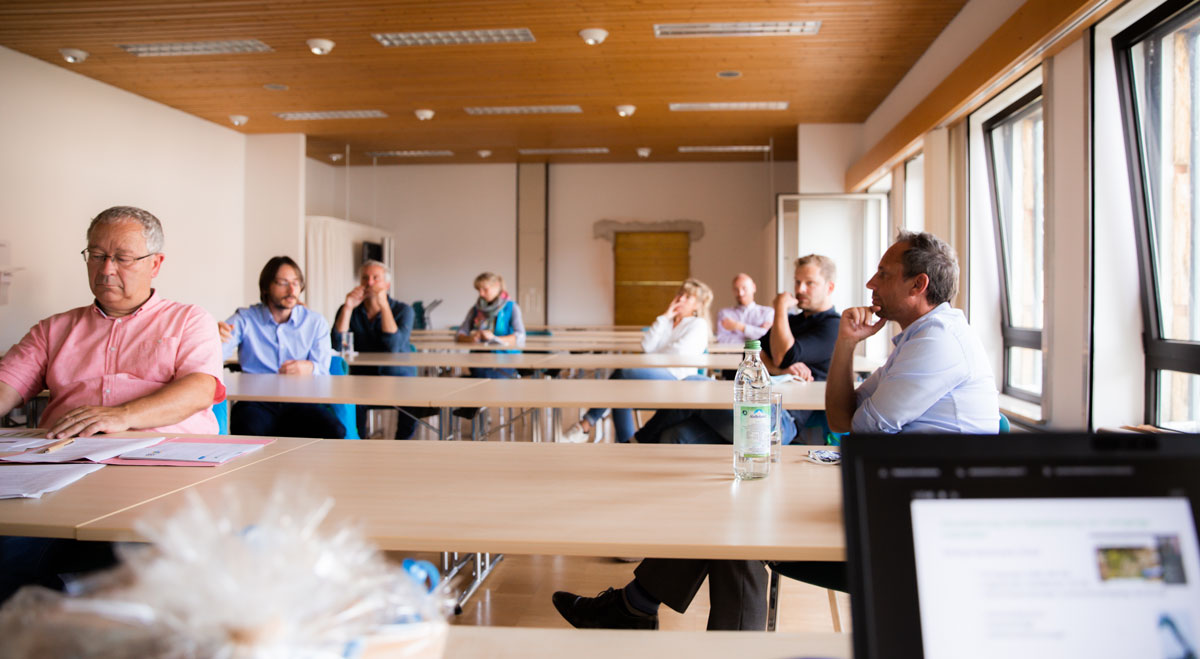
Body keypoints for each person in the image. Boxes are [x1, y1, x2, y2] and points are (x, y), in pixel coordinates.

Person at [552, 232, 999, 631]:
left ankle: (635, 607)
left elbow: (860, 432)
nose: (870, 284)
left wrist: (828, 354)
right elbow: (845, 420)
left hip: (914, 530)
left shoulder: (938, 343)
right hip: (891, 496)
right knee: (733, 500)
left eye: (883, 273)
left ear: (918, 285)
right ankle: (637, 607)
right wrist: (847, 341)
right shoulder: (917, 339)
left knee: (738, 515)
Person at [0, 205, 224, 603]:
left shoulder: (188, 320)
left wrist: (124, 415)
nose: (106, 270)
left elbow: (200, 388)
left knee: (148, 578)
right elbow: (7, 383)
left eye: (122, 258)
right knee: (8, 558)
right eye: (97, 255)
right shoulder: (55, 329)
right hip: (60, 476)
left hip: (160, 477)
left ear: (155, 264)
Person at [634, 255, 841, 446]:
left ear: (830, 287)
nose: (800, 289)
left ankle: (635, 443)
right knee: (675, 435)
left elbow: (785, 355)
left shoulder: (832, 326)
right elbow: (750, 353)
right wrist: (780, 371)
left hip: (777, 421)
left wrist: (779, 309)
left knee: (692, 384)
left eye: (809, 283)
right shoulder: (792, 322)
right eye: (797, 282)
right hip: (748, 404)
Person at [561, 278, 713, 443]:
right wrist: (665, 316)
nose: (680, 299)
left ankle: (586, 424)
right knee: (620, 390)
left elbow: (675, 356)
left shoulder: (698, 325)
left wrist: (652, 356)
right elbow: (646, 346)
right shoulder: (667, 322)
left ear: (698, 304)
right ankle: (625, 444)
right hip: (655, 375)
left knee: (624, 373)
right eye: (680, 294)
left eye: (687, 297)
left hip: (677, 379)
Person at [219, 256, 344, 438]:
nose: (292, 289)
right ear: (266, 287)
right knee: (248, 427)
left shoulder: (315, 322)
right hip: (257, 402)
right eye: (283, 283)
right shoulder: (245, 318)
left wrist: (310, 367)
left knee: (335, 432)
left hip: (300, 401)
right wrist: (215, 337)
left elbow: (323, 368)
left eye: (296, 283)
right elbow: (214, 355)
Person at [331, 259, 432, 439]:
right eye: (365, 278)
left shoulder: (403, 310)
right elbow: (337, 346)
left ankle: (402, 447)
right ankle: (358, 445)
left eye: (375, 278)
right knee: (350, 402)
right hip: (363, 379)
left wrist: (384, 305)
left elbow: (393, 346)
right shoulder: (350, 310)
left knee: (412, 402)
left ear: (386, 284)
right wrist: (347, 307)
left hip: (399, 378)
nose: (369, 283)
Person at [454, 272, 526, 379]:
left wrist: (495, 338)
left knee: (490, 377)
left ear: (496, 286)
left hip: (505, 359)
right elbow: (459, 334)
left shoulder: (511, 307)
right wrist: (471, 338)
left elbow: (520, 336)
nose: (481, 294)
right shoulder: (475, 309)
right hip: (479, 358)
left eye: (484, 289)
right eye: (479, 290)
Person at [714, 273, 774, 345]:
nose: (740, 293)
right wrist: (756, 333)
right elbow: (722, 339)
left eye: (744, 288)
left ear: (753, 288)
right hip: (731, 355)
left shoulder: (768, 312)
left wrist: (739, 326)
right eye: (736, 289)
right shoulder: (724, 313)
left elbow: (768, 338)